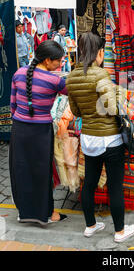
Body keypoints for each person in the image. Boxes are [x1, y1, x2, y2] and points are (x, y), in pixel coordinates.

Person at [66, 32, 134, 242]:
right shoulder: (101, 75)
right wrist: (118, 93)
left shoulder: (72, 77)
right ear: (99, 53)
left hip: (89, 139)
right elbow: (113, 108)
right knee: (115, 185)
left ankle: (90, 226)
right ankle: (120, 232)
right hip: (109, 140)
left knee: (89, 182)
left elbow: (76, 112)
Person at [9, 40, 68, 225]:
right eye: (59, 61)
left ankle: (24, 213)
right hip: (41, 132)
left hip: (19, 130)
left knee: (21, 171)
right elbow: (72, 93)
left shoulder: (19, 73)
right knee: (42, 173)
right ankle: (47, 214)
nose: (61, 64)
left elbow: (13, 106)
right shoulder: (56, 80)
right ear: (49, 60)